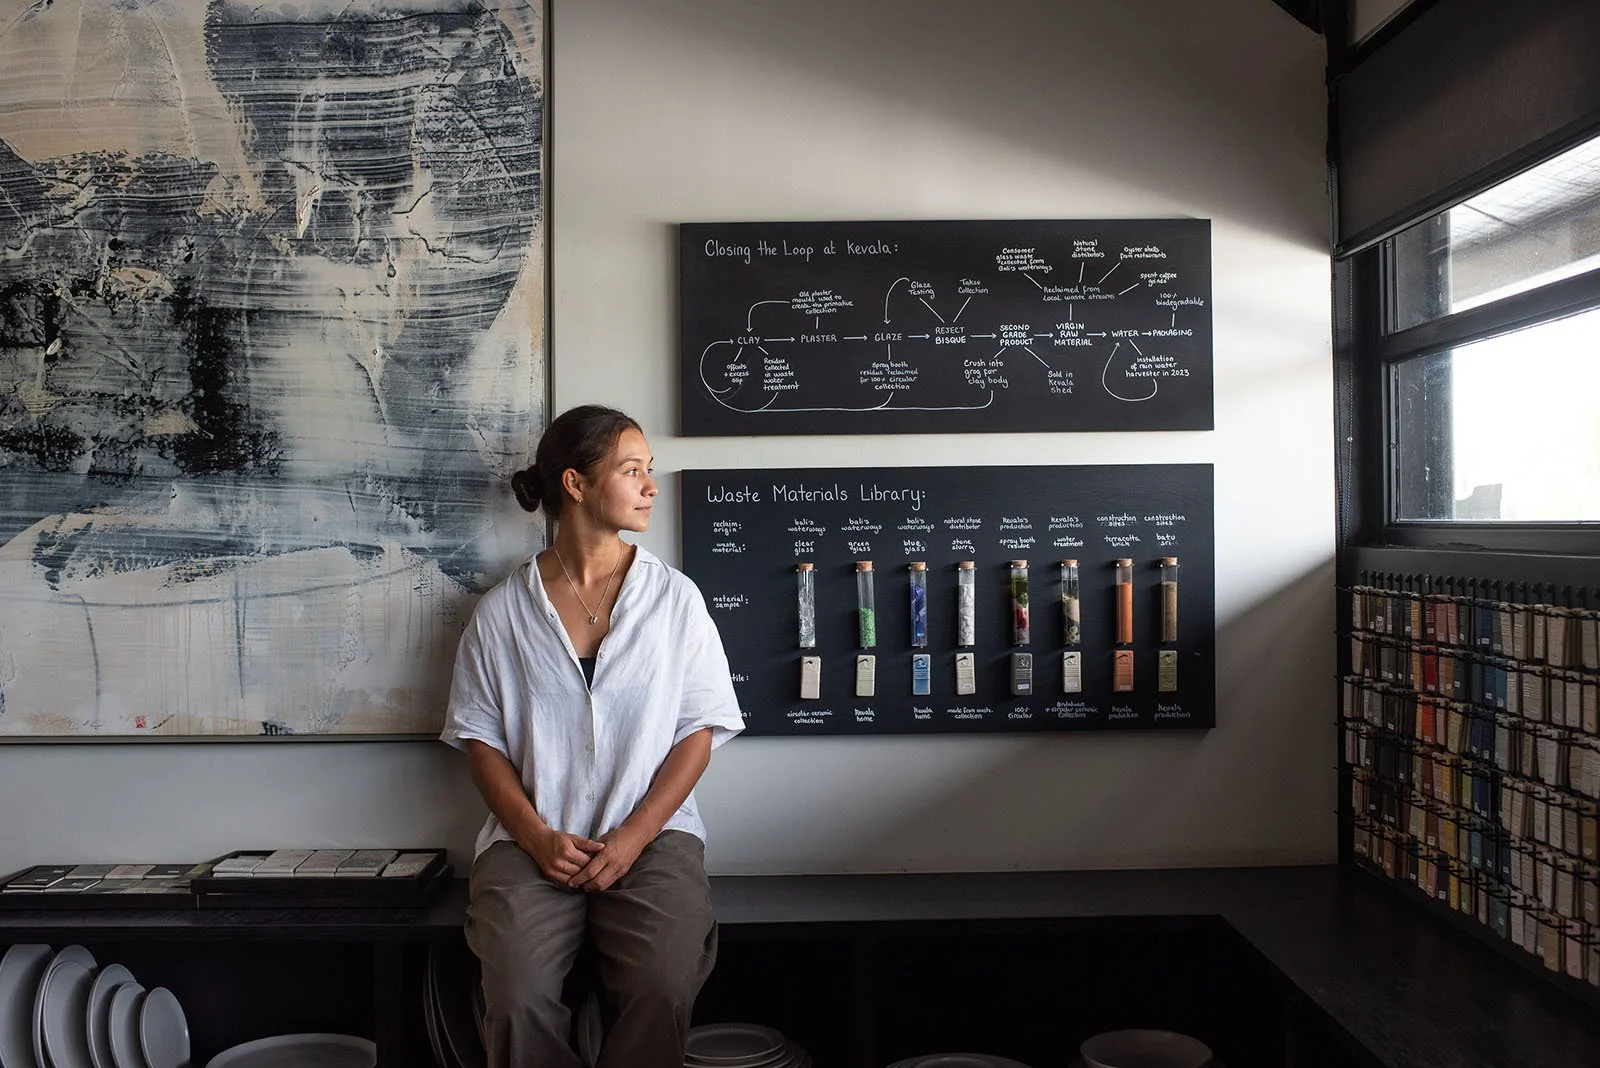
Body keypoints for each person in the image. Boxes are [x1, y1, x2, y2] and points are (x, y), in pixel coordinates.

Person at [440, 404, 744, 1068]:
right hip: (531, 840)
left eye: (649, 471)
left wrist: (635, 835)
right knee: (515, 992)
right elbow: (479, 741)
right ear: (575, 484)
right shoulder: (501, 614)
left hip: (655, 837)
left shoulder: (675, 601)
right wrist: (535, 836)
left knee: (663, 981)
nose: (651, 486)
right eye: (632, 470)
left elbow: (700, 728)